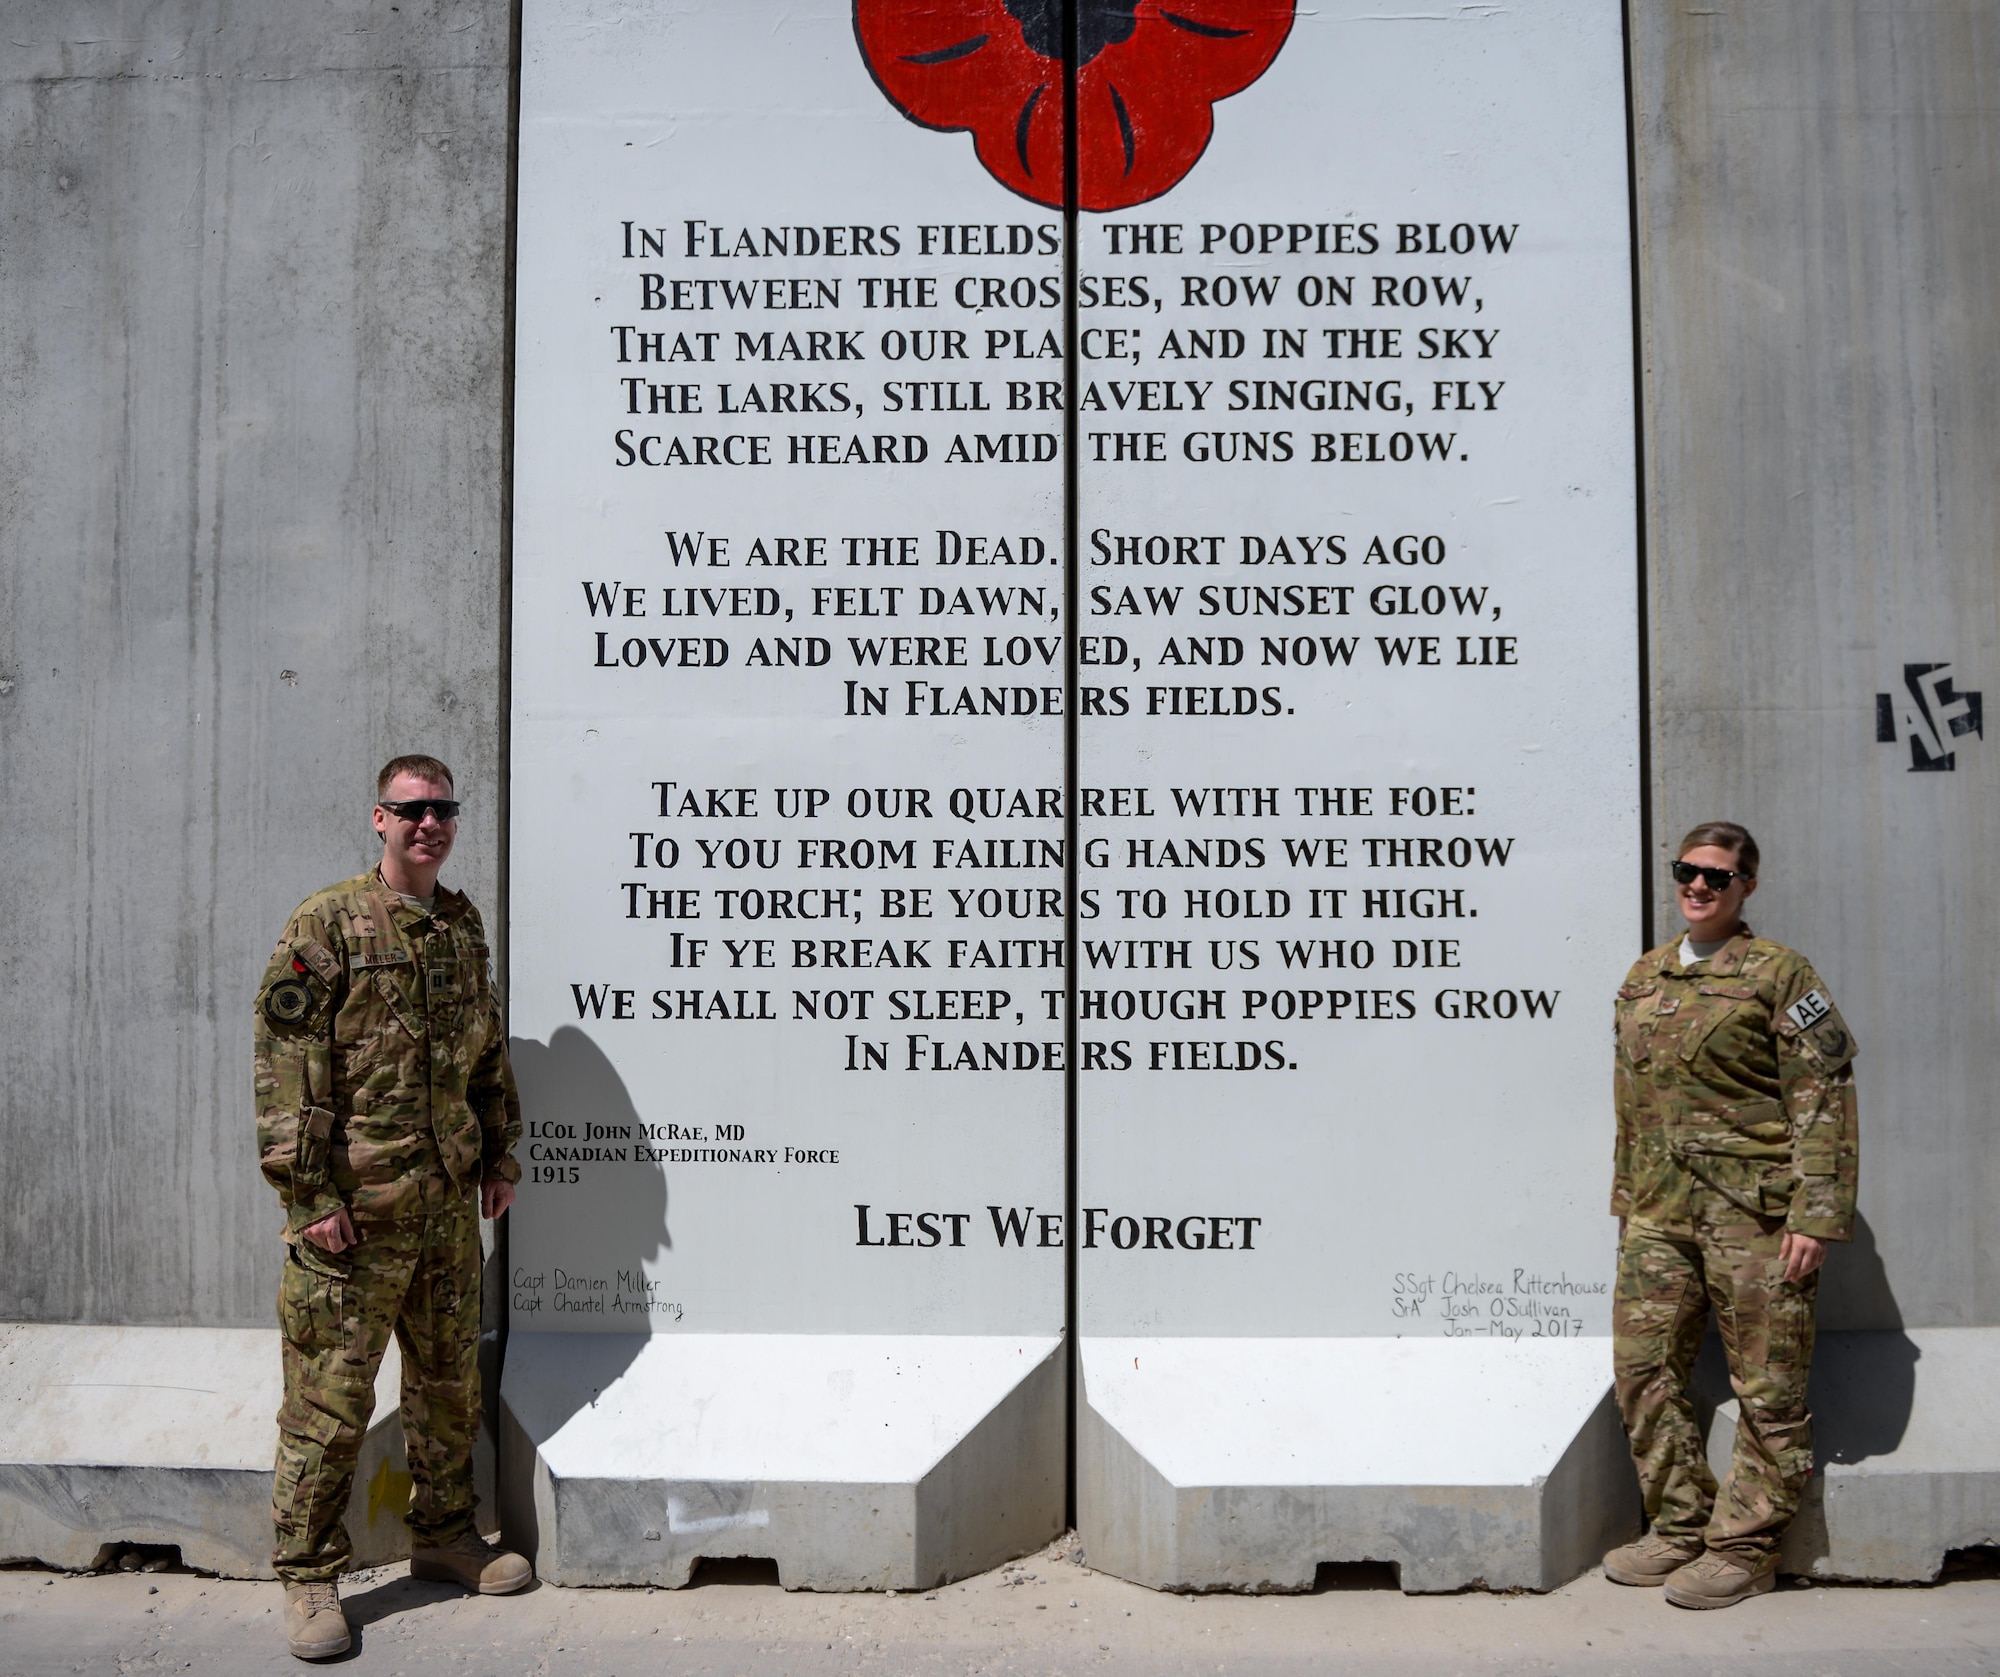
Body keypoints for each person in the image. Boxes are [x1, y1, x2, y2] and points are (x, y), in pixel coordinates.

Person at [254, 755, 530, 1660]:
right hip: (355, 1210)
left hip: (447, 1201)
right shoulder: (327, 920)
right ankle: (306, 1574)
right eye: (412, 810)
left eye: (443, 809)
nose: (430, 824)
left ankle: (446, 1534)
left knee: (448, 1385)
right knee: (330, 1400)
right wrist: (308, 1195)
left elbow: (484, 1048)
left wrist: (499, 1149)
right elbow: (286, 1065)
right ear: (380, 818)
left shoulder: (459, 921)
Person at [1602, 821, 1858, 1609]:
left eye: (1718, 875)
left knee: (1768, 1385)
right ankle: (1679, 1523)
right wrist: (1626, 1199)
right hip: (1658, 1213)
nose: (1699, 886)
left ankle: (1746, 1547)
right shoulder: (1645, 976)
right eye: (1688, 871)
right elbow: (1631, 1100)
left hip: (1754, 1215)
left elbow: (1825, 1092)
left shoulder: (1779, 972)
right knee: (1643, 1370)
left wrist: (1816, 1215)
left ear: (1747, 884)